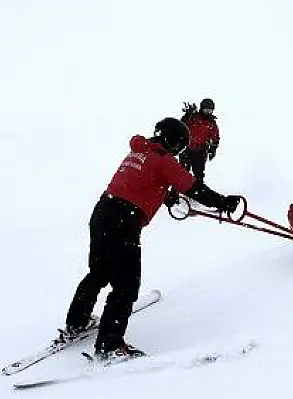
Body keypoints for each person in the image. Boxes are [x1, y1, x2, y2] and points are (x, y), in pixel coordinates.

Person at [56, 117, 240, 361]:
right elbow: (194, 188)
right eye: (179, 147)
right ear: (173, 141)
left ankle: (76, 323)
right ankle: (109, 346)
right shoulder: (163, 160)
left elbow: (143, 182)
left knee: (99, 273)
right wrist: (222, 202)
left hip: (102, 213)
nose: (178, 153)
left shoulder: (138, 153)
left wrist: (167, 197)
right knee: (125, 286)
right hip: (123, 222)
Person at [179, 98, 220, 184]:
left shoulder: (212, 123)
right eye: (206, 110)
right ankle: (175, 193)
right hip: (187, 149)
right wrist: (187, 115)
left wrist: (213, 149)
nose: (208, 112)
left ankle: (197, 192)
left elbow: (215, 137)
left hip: (201, 152)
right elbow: (182, 125)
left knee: (199, 174)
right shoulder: (194, 117)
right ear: (202, 108)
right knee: (181, 173)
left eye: (210, 110)